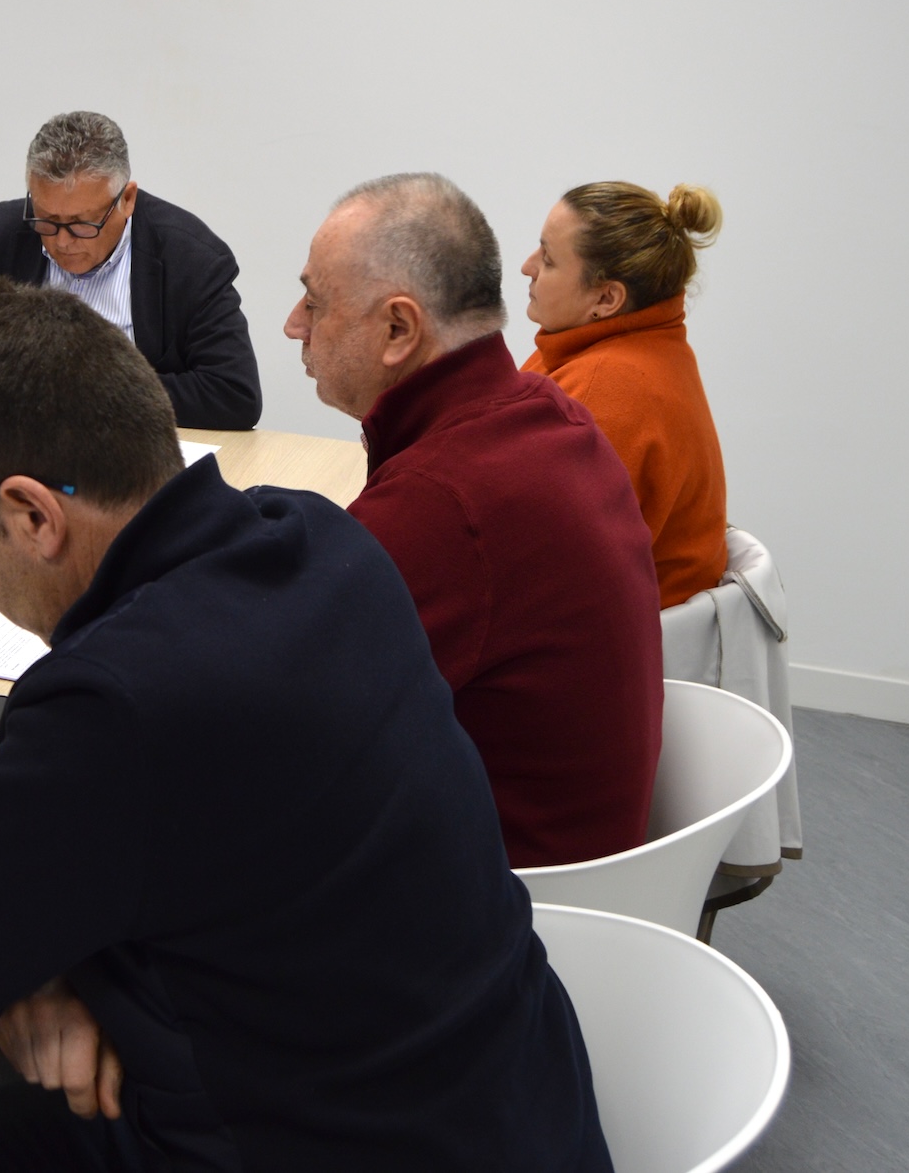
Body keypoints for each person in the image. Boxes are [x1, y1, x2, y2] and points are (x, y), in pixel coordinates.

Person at [0, 281, 610, 1173]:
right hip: (511, 1105)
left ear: (34, 514)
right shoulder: (316, 539)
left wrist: (14, 962)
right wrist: (37, 954)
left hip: (343, 1143)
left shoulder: (118, 705)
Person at [282, 173, 661, 870]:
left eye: (315, 299)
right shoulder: (548, 415)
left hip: (507, 909)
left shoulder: (447, 500)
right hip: (579, 874)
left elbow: (281, 713)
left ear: (399, 329)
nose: (294, 324)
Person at [0, 111, 261, 430]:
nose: (61, 241)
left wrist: (73, 394)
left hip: (127, 459)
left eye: (81, 223)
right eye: (46, 220)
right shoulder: (0, 235)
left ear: (127, 200)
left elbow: (234, 394)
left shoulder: (189, 258)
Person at [519, 183, 728, 608]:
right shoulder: (629, 348)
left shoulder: (602, 394)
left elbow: (540, 570)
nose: (528, 267)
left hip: (605, 651)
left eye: (549, 258)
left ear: (607, 298)